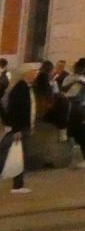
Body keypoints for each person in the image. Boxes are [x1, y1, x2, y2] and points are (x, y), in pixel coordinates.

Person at [2, 64, 40, 194]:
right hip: (20, 128)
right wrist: (17, 129)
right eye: (33, 72)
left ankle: (18, 184)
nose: (35, 74)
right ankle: (17, 185)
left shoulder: (26, 88)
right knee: (16, 155)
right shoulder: (20, 89)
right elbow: (15, 110)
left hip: (24, 127)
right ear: (26, 73)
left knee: (17, 155)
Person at [62, 58, 85, 167]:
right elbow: (63, 89)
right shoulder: (69, 77)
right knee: (70, 132)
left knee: (84, 133)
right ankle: (70, 155)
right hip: (71, 106)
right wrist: (73, 82)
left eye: (83, 69)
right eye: (78, 68)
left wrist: (83, 83)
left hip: (84, 108)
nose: (80, 71)